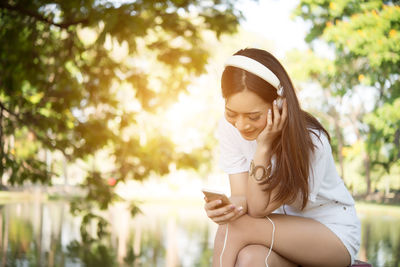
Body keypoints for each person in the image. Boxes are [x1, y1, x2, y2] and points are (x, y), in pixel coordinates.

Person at [203, 48, 361, 267]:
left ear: (279, 104)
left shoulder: (311, 142)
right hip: (274, 233)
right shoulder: (229, 129)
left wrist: (263, 148)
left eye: (253, 116)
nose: (241, 125)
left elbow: (258, 208)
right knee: (250, 259)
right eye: (232, 113)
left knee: (233, 227)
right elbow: (242, 197)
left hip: (330, 234)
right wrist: (227, 208)